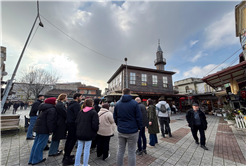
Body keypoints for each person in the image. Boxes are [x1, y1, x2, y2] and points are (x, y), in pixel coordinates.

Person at [113, 88, 143, 166]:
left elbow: (115, 117)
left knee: (120, 150)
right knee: (131, 152)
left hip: (121, 130)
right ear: (130, 94)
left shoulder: (117, 103)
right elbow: (139, 117)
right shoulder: (134, 103)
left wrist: (118, 125)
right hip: (133, 131)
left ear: (122, 94)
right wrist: (139, 127)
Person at [28, 97, 57, 165]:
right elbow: (49, 121)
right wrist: (50, 130)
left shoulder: (43, 108)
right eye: (55, 101)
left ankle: (32, 159)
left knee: (36, 144)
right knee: (41, 144)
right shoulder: (52, 109)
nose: (56, 102)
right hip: (44, 129)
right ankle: (37, 159)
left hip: (39, 128)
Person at [74, 98, 99, 166]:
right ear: (91, 104)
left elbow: (76, 122)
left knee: (79, 148)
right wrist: (95, 130)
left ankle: (76, 163)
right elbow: (95, 124)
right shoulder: (93, 112)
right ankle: (85, 164)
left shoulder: (81, 111)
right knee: (87, 149)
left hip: (80, 132)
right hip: (89, 133)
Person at [63, 93, 82, 165]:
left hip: (69, 123)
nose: (81, 98)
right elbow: (78, 116)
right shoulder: (76, 105)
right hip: (73, 124)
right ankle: (67, 158)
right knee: (73, 140)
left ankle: (66, 155)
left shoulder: (70, 104)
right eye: (81, 97)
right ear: (77, 97)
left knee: (69, 139)